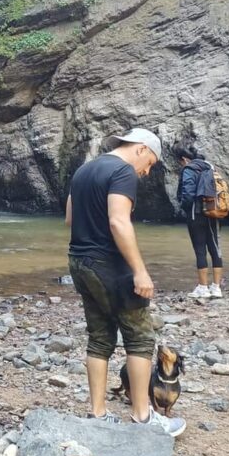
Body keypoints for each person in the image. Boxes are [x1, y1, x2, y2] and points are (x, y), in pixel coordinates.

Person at [65, 127, 186, 437]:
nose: (146, 172)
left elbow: (69, 219)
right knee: (141, 337)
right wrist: (140, 271)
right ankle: (142, 417)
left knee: (100, 336)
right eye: (150, 164)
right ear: (141, 149)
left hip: (79, 262)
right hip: (110, 266)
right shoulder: (122, 171)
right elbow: (119, 222)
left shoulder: (83, 170)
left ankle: (97, 413)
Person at [175, 147, 224, 298]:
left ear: (184, 159)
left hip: (196, 214)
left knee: (200, 249)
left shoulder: (189, 169)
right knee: (215, 247)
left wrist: (184, 207)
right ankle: (216, 287)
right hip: (213, 211)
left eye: (180, 162)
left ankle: (203, 288)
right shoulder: (210, 167)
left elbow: (188, 195)